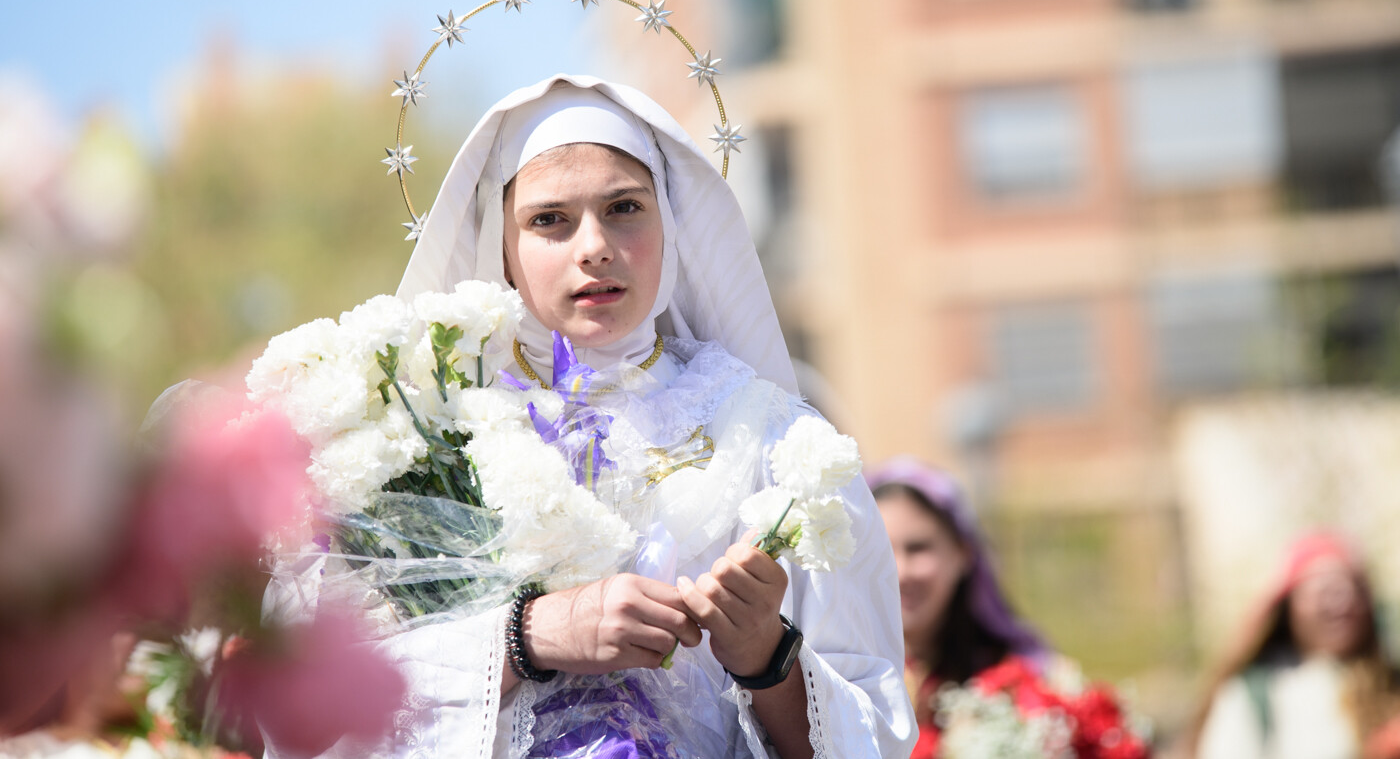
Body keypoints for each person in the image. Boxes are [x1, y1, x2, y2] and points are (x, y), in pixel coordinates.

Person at [264, 75, 915, 759]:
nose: (594, 246)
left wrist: (767, 657)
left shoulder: (773, 440)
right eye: (549, 220)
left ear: (670, 225)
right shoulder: (417, 440)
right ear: (503, 246)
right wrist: (527, 637)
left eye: (625, 207)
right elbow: (311, 705)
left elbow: (875, 730)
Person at [865, 458, 1048, 759]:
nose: (900, 572)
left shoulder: (1014, 687)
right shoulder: (838, 678)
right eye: (880, 550)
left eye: (918, 548)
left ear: (963, 554)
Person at [1188, 533, 1400, 759]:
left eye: (1354, 589)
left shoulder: (1390, 683)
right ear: (1289, 606)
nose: (1343, 603)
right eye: (1326, 591)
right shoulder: (1255, 693)